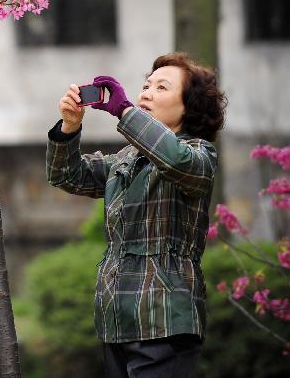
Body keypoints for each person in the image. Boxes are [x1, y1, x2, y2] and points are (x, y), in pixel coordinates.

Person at [47, 53, 227, 378]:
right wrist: (70, 126)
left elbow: (175, 160)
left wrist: (123, 111)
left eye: (161, 87)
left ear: (189, 105)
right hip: (116, 318)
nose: (146, 92)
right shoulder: (127, 159)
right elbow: (67, 176)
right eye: (146, 85)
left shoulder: (201, 154)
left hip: (165, 318)